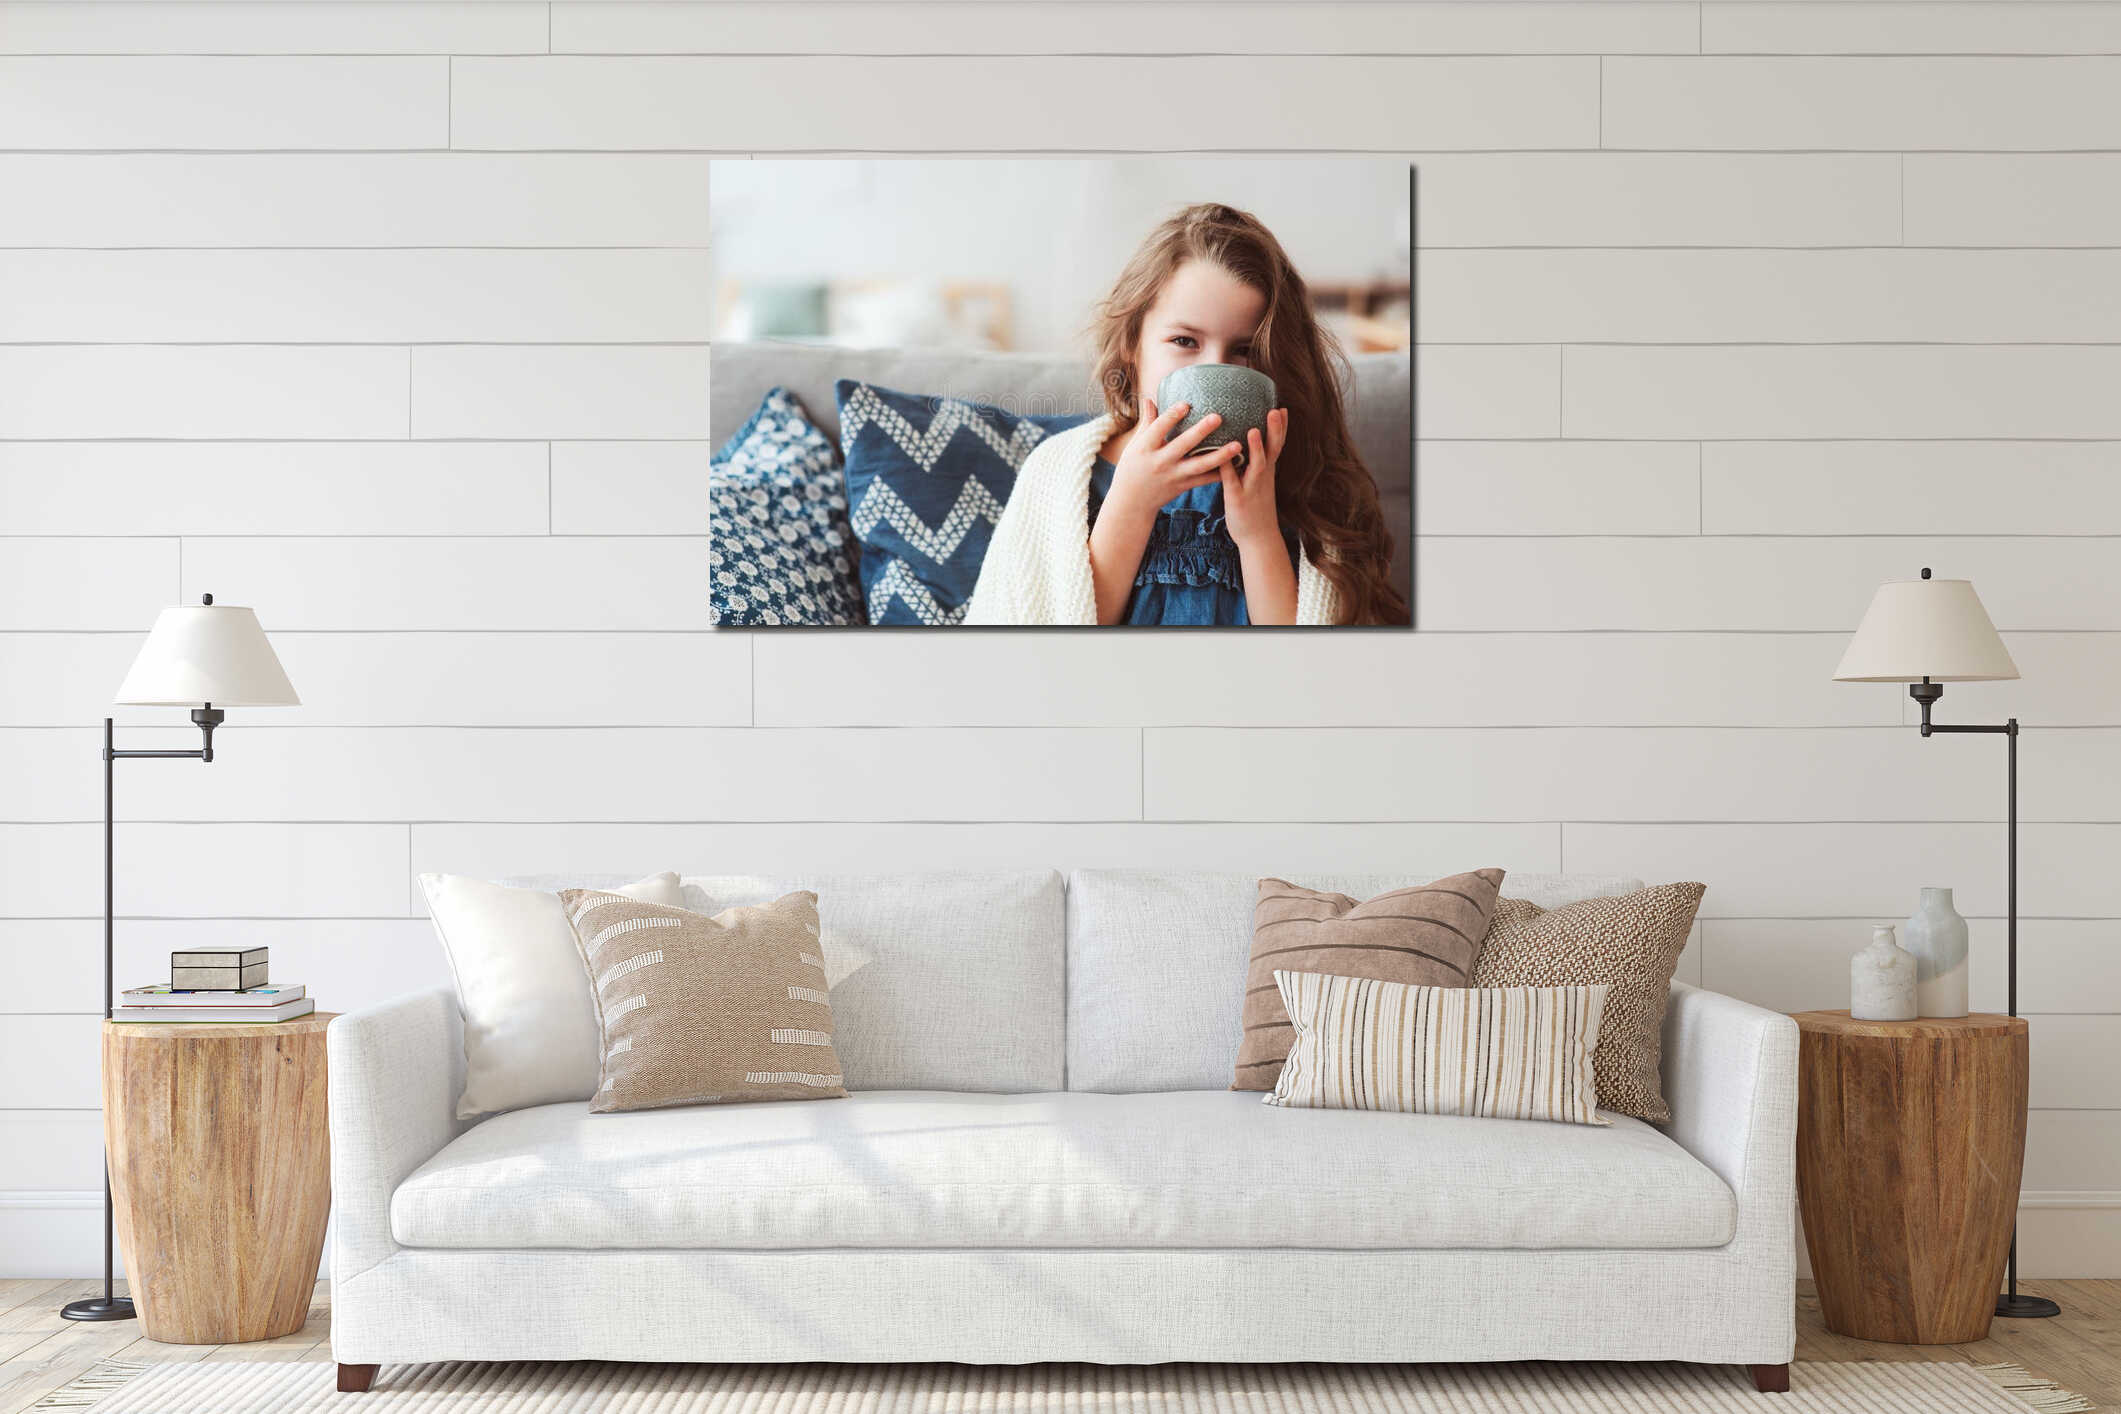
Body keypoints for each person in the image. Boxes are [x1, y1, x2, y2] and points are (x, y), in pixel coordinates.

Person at [965, 202, 1406, 626]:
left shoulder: (1304, 476)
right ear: (1131, 344)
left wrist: (1257, 534)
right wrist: (1131, 506)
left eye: (1245, 351)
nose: (1212, 368)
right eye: (1184, 341)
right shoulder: (1059, 473)